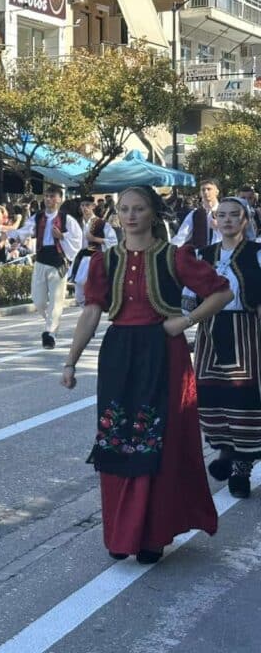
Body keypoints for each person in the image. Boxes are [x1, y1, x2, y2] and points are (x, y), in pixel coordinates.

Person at [61, 186, 232, 564]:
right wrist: (71, 361)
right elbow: (91, 311)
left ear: (153, 213)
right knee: (117, 438)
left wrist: (184, 322)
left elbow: (221, 293)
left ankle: (153, 534)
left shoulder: (175, 256)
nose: (131, 215)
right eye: (124, 209)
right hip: (120, 353)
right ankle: (122, 533)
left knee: (159, 441)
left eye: (138, 208)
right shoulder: (105, 261)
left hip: (163, 353)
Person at [194, 197, 261, 498]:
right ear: (215, 220)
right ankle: (226, 451)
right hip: (210, 332)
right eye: (222, 215)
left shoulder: (257, 254)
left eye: (235, 215)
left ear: (245, 221)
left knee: (243, 400)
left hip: (245, 332)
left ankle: (241, 468)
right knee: (210, 397)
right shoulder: (204, 254)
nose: (228, 220)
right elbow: (188, 297)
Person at [8, 186, 81, 349]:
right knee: (38, 300)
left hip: (57, 260)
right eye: (46, 196)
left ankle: (49, 333)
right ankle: (52, 323)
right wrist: (13, 237)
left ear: (59, 199)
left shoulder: (66, 219)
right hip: (41, 260)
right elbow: (25, 231)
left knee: (56, 300)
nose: (48, 199)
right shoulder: (38, 217)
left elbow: (77, 239)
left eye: (52, 196)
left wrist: (62, 236)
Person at [69, 197, 118, 306]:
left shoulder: (101, 224)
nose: (85, 208)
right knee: (79, 294)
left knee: (93, 291)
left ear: (93, 206)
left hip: (95, 259)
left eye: (87, 205)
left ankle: (91, 314)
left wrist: (95, 239)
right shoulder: (77, 223)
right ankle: (87, 313)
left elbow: (113, 241)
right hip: (80, 259)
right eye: (82, 205)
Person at [171, 179, 221, 249]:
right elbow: (182, 236)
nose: (206, 192)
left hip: (222, 255)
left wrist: (218, 229)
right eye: (203, 190)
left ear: (216, 192)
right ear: (200, 193)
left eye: (209, 189)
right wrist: (168, 249)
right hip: (201, 256)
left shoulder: (225, 212)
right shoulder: (194, 214)